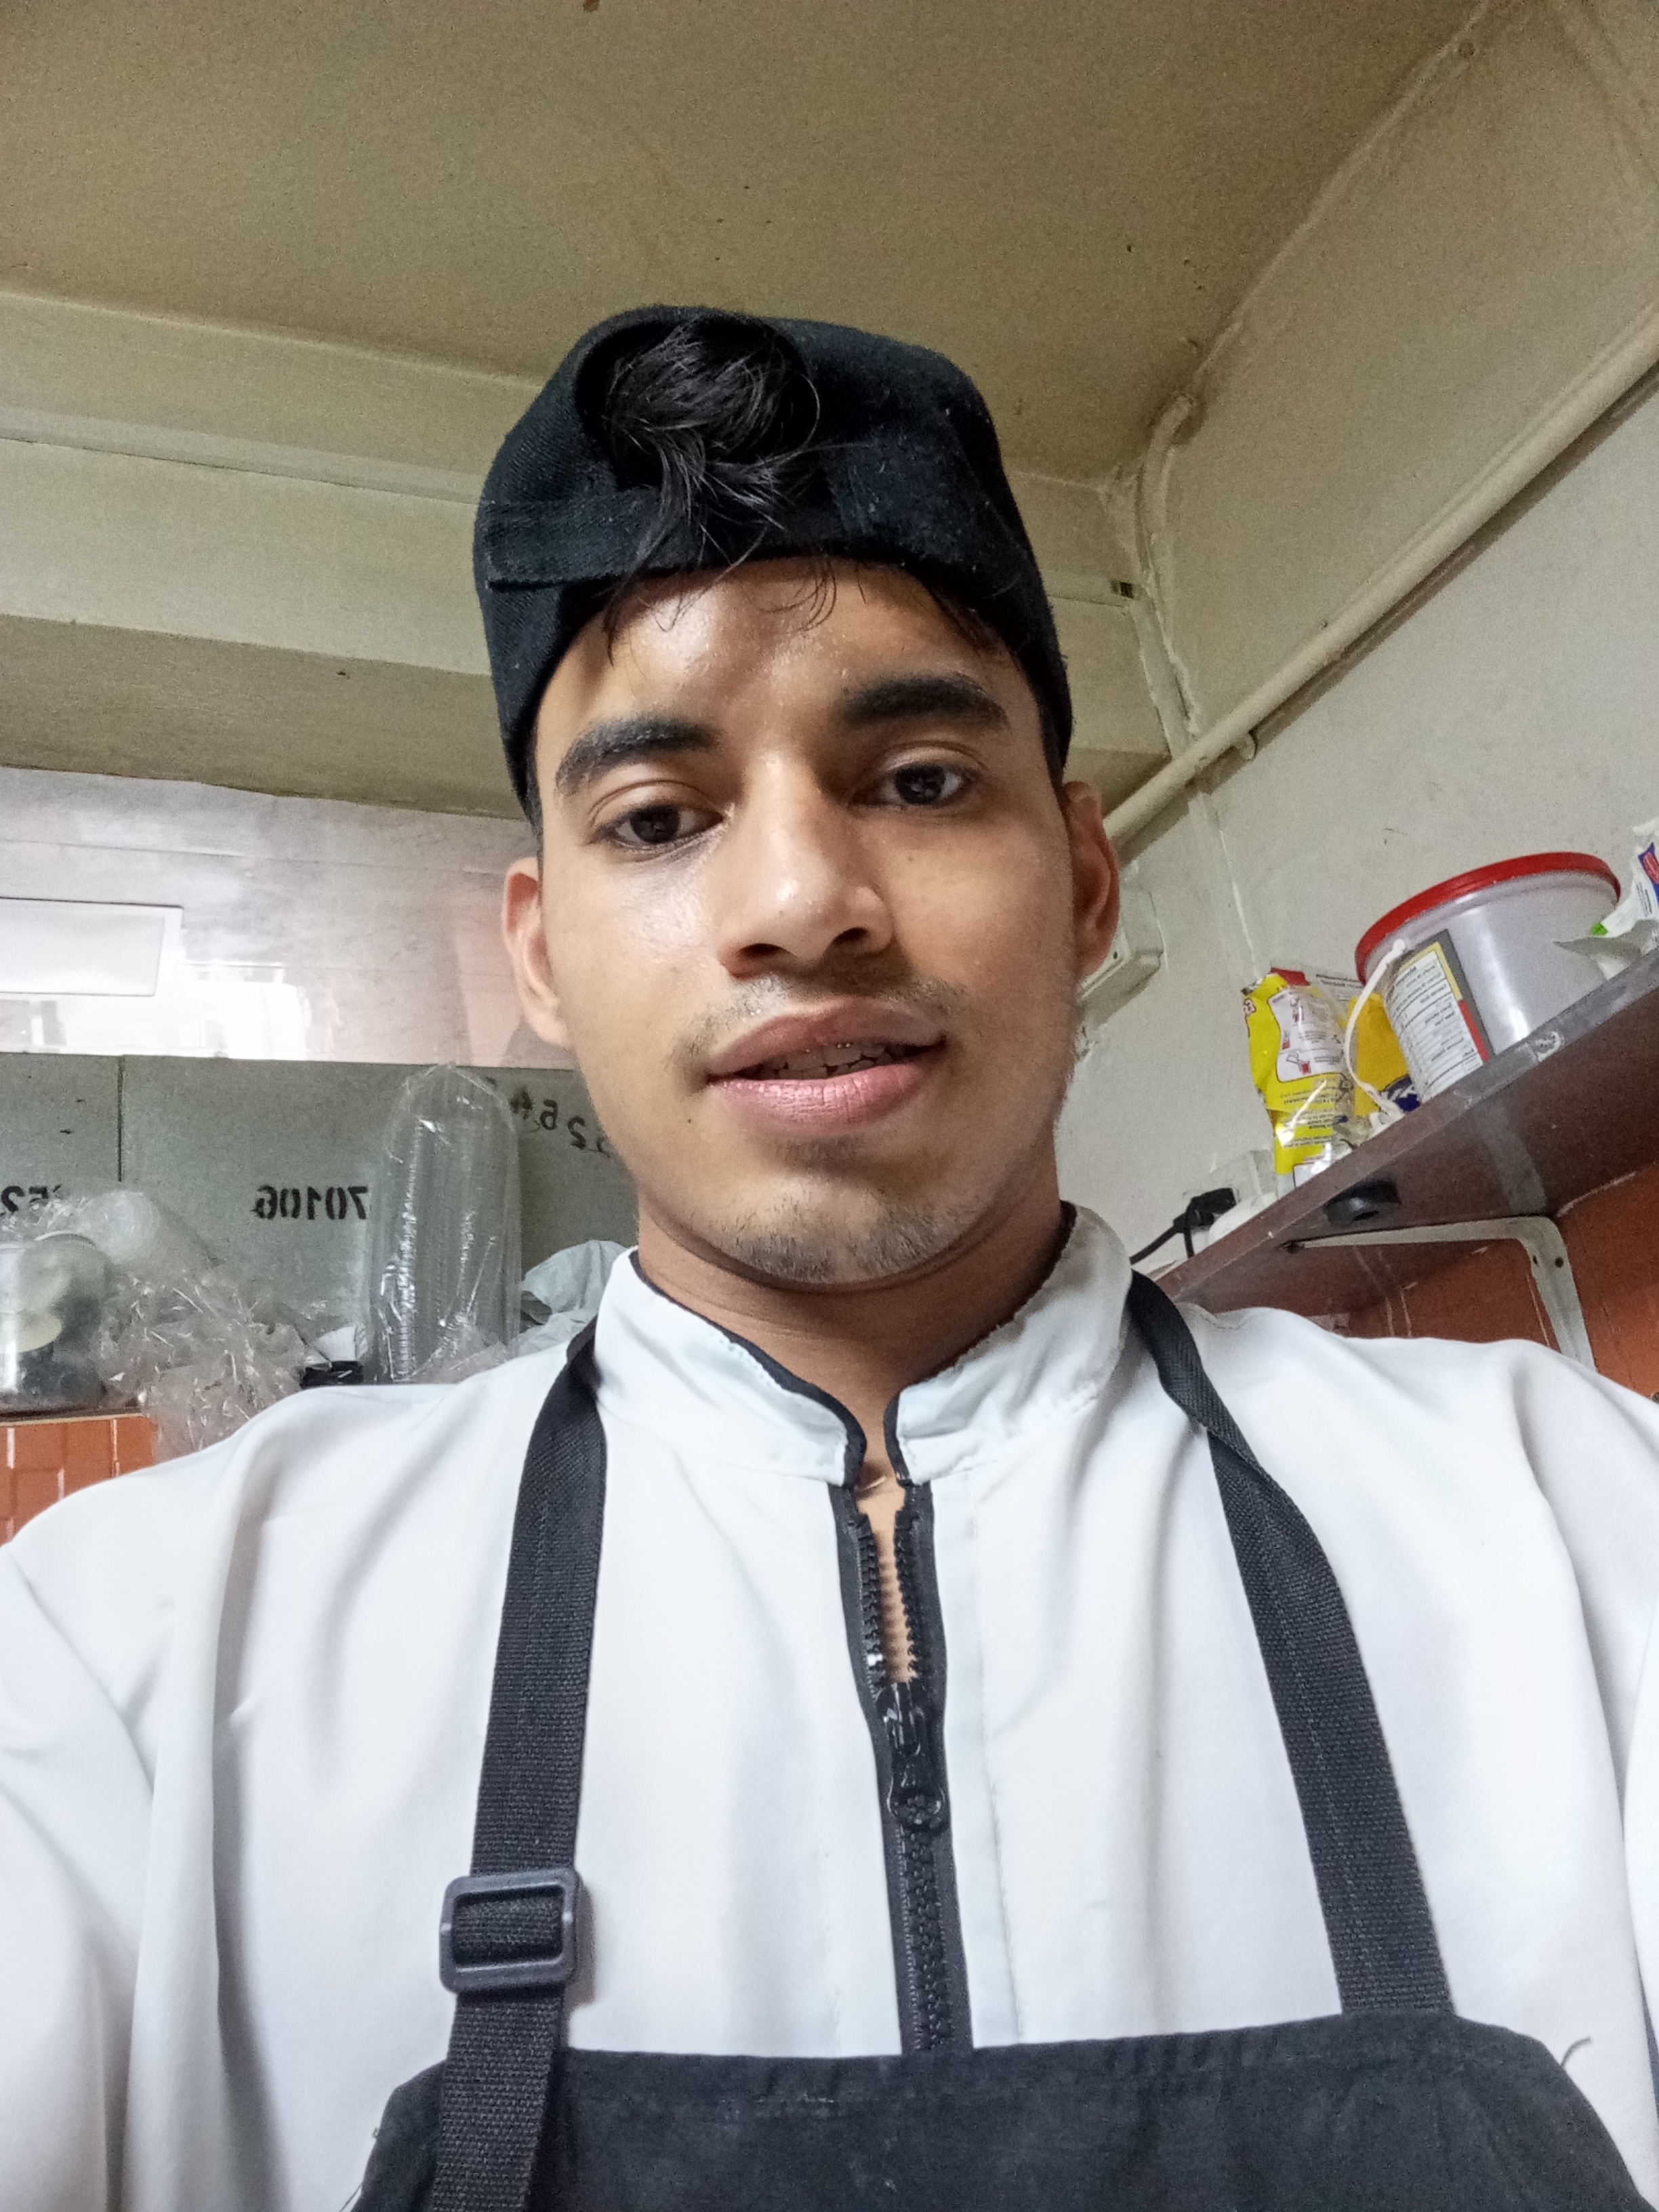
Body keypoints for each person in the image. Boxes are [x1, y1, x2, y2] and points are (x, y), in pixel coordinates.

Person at [3, 308, 1658, 2212]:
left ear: (1086, 881)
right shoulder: (137, 1659)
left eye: (921, 780)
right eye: (659, 818)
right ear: (542, 953)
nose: (800, 902)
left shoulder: (1577, 1534)